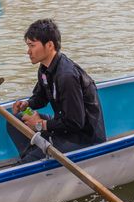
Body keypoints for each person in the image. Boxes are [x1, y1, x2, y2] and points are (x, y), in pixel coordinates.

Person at [8, 19, 106, 162]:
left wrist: (40, 125)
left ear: (49, 45)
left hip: (83, 137)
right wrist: (27, 104)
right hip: (62, 124)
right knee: (15, 121)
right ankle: (33, 154)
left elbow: (75, 123)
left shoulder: (67, 76)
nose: (28, 51)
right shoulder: (45, 68)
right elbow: (41, 97)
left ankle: (32, 158)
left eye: (32, 46)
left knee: (30, 160)